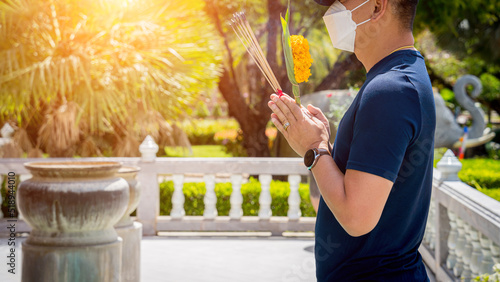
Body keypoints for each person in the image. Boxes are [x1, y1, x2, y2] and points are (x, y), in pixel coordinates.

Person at [268, 0, 436, 281]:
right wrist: (321, 146)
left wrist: (314, 150)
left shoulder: (390, 90)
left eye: (341, 2)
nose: (331, 12)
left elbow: (357, 218)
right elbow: (342, 198)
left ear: (376, 7)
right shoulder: (399, 78)